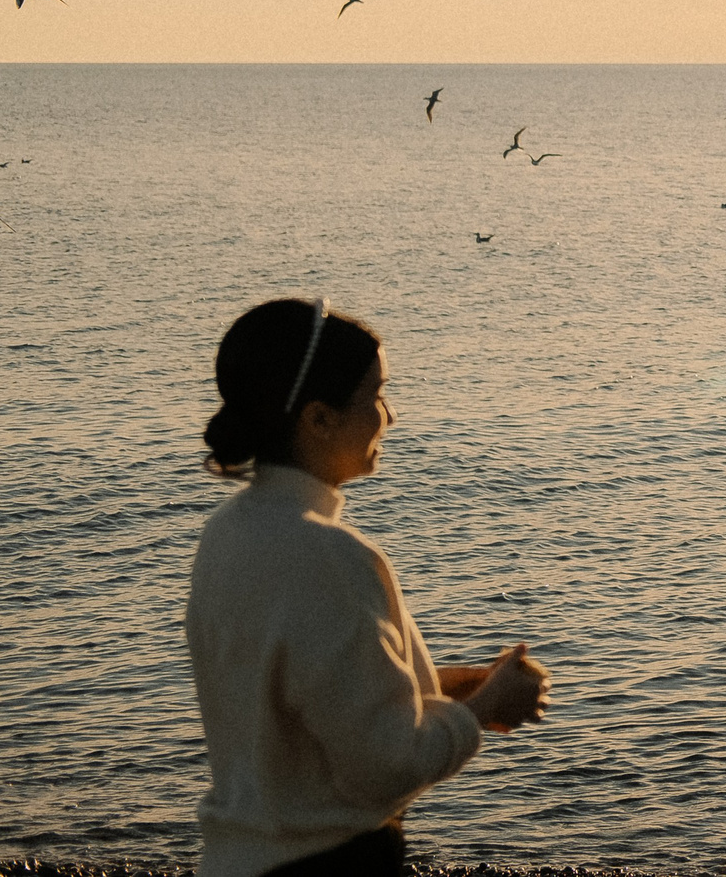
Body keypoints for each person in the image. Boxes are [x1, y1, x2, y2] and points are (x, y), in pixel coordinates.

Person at [187, 297, 551, 877]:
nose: (391, 416)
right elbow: (384, 767)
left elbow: (292, 698)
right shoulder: (329, 554)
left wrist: (438, 686)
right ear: (319, 418)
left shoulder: (228, 533)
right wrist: (484, 707)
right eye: (376, 396)